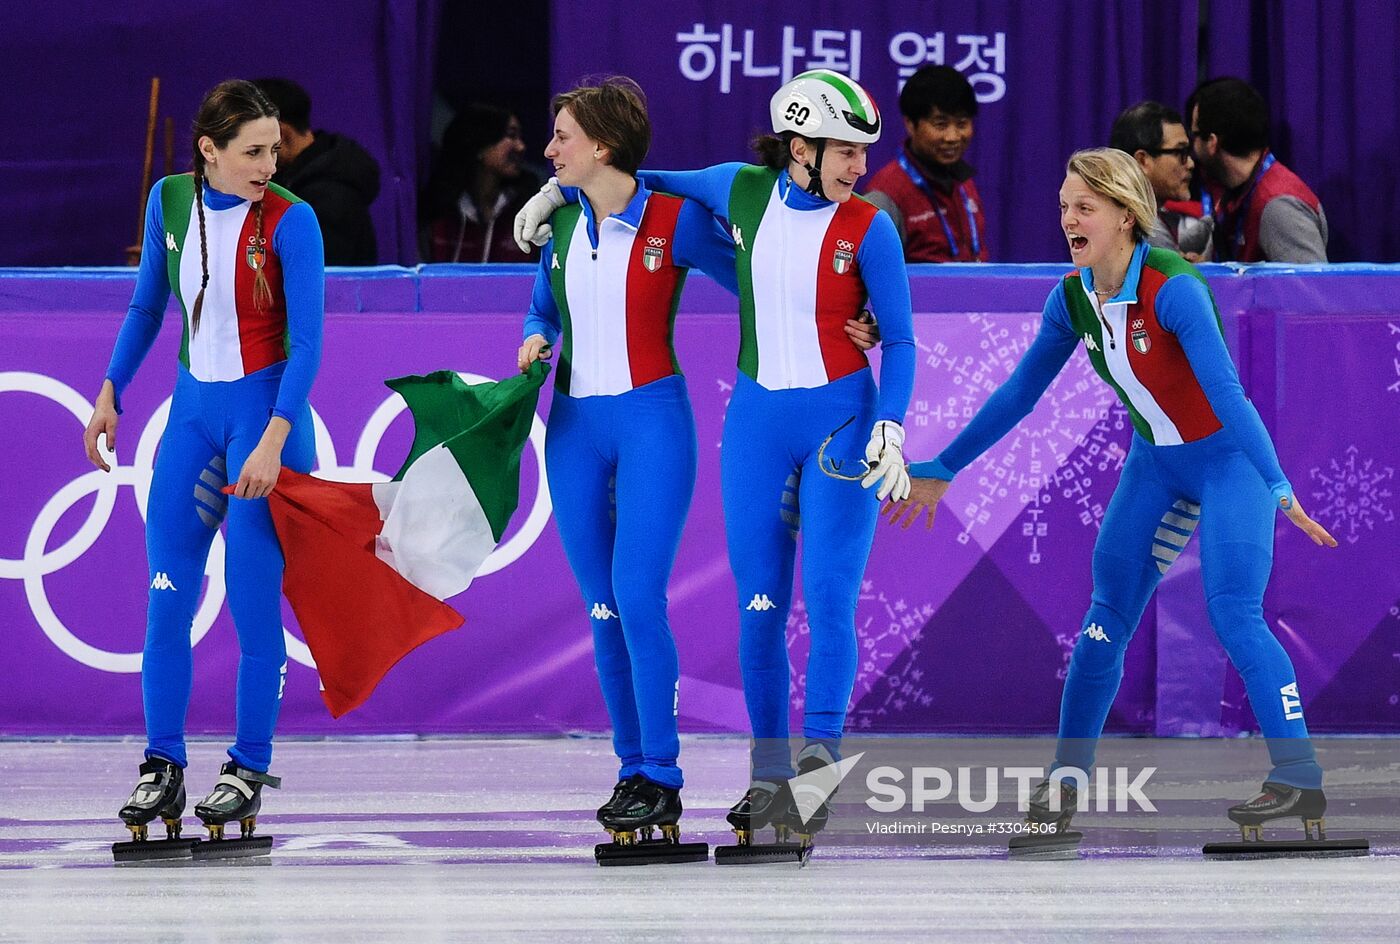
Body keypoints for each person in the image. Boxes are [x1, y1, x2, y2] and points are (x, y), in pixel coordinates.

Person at [888, 148, 1337, 842]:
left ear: (1126, 216)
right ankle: (1064, 785)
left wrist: (1277, 483)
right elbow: (1018, 394)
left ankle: (1298, 779)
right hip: (1154, 466)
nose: (1069, 218)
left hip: (1228, 467)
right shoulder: (1071, 298)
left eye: (1085, 207)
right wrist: (945, 464)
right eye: (1065, 205)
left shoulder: (1173, 287)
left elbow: (1227, 394)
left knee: (1234, 615)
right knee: (1103, 624)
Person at [519, 68, 916, 851]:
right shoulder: (736, 190)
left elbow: (898, 337)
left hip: (843, 420)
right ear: (798, 146)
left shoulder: (870, 226)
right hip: (759, 425)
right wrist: (558, 194)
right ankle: (768, 779)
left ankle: (814, 775)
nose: (857, 168)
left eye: (862, 154)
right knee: (759, 610)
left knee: (827, 604)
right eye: (844, 152)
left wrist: (893, 424)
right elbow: (639, 176)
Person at [84, 79, 323, 858]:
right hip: (192, 419)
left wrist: (275, 438)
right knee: (167, 597)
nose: (268, 163)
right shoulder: (169, 202)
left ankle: (250, 767)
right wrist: (112, 389)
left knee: (254, 608)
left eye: (275, 148)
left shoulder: (294, 219)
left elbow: (309, 344)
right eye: (251, 152)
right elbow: (146, 305)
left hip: (264, 421)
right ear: (208, 152)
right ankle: (164, 762)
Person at [516, 77, 739, 858]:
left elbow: (765, 288)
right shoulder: (564, 226)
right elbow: (543, 304)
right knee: (602, 608)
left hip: (651, 425)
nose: (549, 152)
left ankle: (663, 773)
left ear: (603, 146)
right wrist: (536, 335)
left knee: (640, 597)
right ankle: (630, 770)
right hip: (575, 426)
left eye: (563, 137)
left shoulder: (674, 222)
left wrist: (847, 319)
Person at [1186, 77, 1328, 263]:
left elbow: (1309, 290)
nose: (1190, 152)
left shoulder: (1278, 206)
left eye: (1194, 135)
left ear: (1212, 142)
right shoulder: (1236, 192)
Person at [864, 65, 988, 262]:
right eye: (941, 124)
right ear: (910, 124)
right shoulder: (886, 195)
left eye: (962, 123)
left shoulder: (964, 183)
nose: (952, 137)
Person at [252, 78, 380, 265]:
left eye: (253, 147)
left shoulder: (328, 198)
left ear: (280, 134)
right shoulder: (296, 178)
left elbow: (317, 278)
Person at [420, 104, 539, 263]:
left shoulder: (530, 211)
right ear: (481, 144)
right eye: (511, 135)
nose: (521, 146)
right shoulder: (438, 217)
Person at [1109, 100, 1213, 260]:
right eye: (1180, 153)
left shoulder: (1120, 216)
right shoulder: (1140, 227)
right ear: (1142, 160)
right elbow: (1179, 283)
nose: (1191, 164)